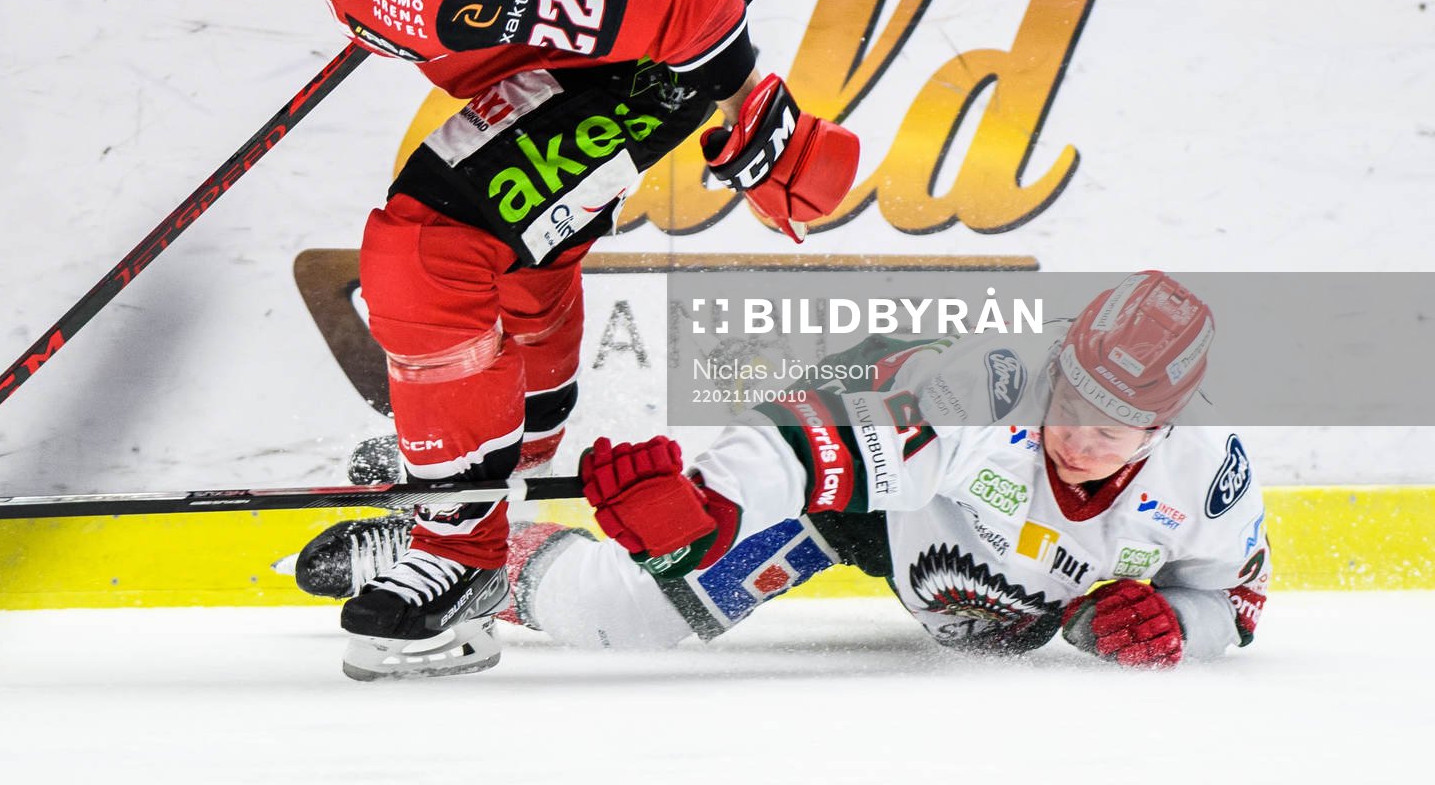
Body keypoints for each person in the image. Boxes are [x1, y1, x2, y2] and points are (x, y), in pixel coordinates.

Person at [133, 0, 860, 680]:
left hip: (673, 29)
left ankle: (461, 553)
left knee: (428, 249)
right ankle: (503, 461)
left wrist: (748, 112)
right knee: (518, 244)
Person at [494, 272, 1268, 667]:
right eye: (1067, 401)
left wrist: (1175, 627)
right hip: (873, 517)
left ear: (1163, 428)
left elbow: (1232, 602)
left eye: (1108, 430)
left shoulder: (1207, 476)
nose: (1075, 439)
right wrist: (716, 505)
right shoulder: (989, 383)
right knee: (619, 618)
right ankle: (471, 557)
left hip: (1008, 616)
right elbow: (816, 438)